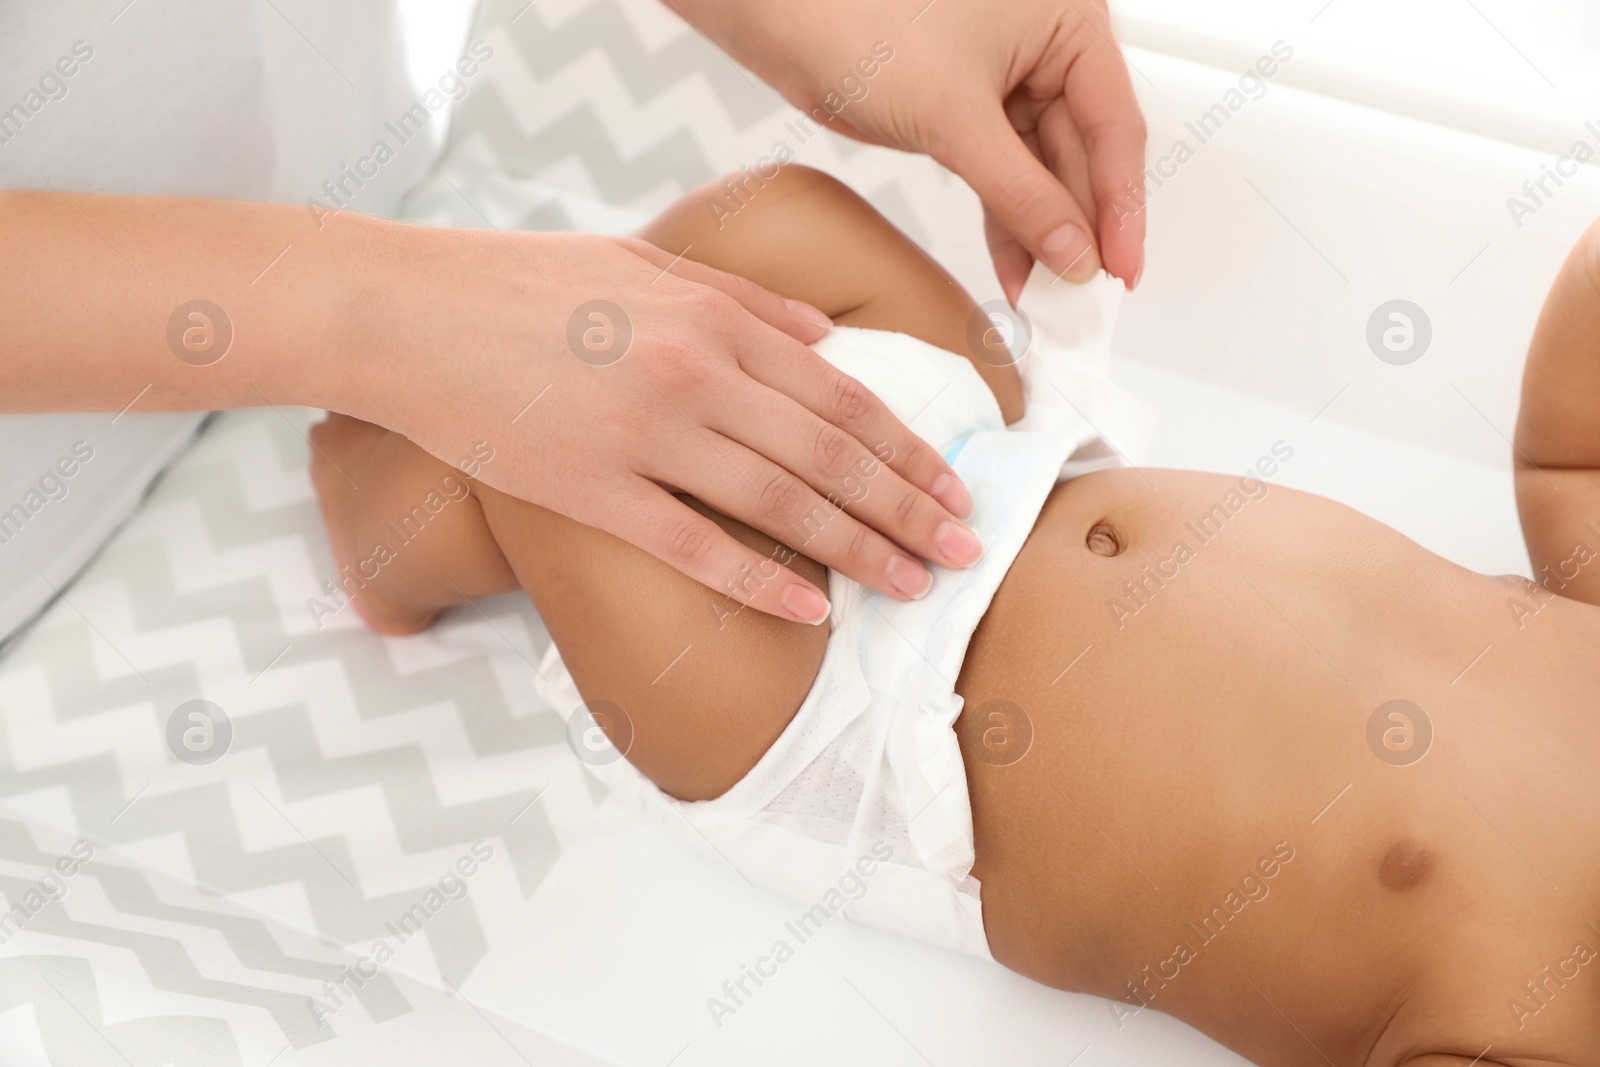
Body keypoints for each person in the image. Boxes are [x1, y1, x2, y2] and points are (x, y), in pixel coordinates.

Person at [307, 164, 1600, 1066]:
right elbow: (1572, 460)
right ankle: (533, 390)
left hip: (848, 714)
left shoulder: (1536, 1010)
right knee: (782, 218)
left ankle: (385, 523)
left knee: (551, 423)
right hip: (983, 463)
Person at [0, 0, 1145, 641]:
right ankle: (381, 507)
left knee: (731, 299)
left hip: (352, 165)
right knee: (621, 443)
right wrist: (383, 318)